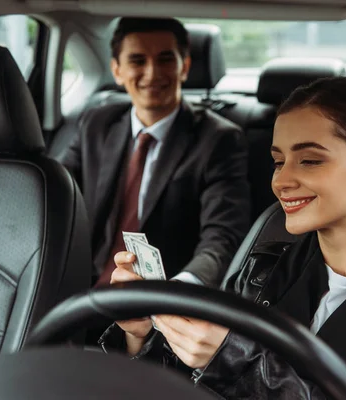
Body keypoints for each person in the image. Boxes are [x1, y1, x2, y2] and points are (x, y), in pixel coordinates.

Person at [100, 77, 346, 399]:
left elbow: (230, 364)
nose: (281, 180)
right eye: (279, 161)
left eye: (310, 160)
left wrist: (233, 358)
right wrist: (142, 334)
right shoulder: (263, 269)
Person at [60, 17, 251, 288]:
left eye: (165, 60)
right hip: (82, 287)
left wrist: (182, 287)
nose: (152, 74)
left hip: (160, 294)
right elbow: (56, 197)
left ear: (183, 67)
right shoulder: (96, 123)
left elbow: (223, 235)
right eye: (138, 61)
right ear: (117, 70)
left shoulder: (219, 139)